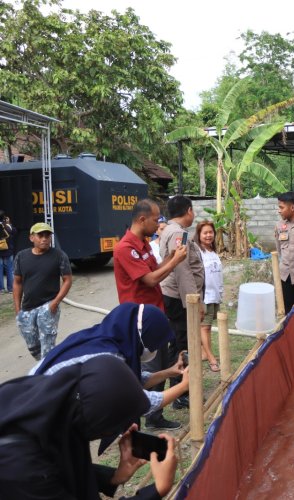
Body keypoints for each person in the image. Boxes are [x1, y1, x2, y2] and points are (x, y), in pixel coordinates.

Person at [0, 356, 178, 499]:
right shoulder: (21, 468)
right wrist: (158, 489)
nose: (121, 431)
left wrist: (114, 477)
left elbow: (57, 460)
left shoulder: (61, 401)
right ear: (96, 422)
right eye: (113, 428)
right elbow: (41, 474)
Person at [32, 303, 190, 419]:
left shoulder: (105, 338)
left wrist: (169, 372)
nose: (154, 350)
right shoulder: (109, 358)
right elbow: (137, 401)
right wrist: (183, 386)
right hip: (40, 411)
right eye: (154, 344)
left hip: (43, 401)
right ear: (143, 336)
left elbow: (132, 382)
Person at [113, 199, 187, 430]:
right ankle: (147, 417)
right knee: (150, 371)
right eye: (156, 220)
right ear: (142, 219)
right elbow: (150, 280)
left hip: (155, 315)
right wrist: (174, 261)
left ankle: (155, 415)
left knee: (163, 365)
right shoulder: (125, 248)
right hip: (139, 322)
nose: (159, 224)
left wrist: (171, 257)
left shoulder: (143, 245)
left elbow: (155, 270)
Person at [160, 195, 204, 410]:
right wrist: (193, 304)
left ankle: (179, 388)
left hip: (175, 297)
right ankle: (181, 393)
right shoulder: (179, 234)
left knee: (177, 343)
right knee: (181, 344)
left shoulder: (169, 230)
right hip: (179, 299)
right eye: (193, 210)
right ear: (188, 210)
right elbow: (182, 270)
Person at [13, 222, 73, 360]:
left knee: (47, 346)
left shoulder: (59, 255)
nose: (44, 238)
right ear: (31, 238)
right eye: (40, 235)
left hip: (48, 307)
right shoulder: (21, 257)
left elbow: (67, 280)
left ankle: (48, 372)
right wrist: (17, 309)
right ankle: (47, 364)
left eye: (47, 235)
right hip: (27, 308)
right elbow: (17, 282)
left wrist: (55, 303)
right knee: (33, 346)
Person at [195, 220, 222, 372]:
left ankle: (205, 353)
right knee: (204, 327)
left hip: (214, 294)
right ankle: (211, 358)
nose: (208, 235)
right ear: (199, 235)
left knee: (208, 327)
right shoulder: (198, 252)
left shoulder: (213, 252)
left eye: (211, 232)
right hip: (205, 295)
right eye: (205, 233)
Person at [0, 210, 17, 293]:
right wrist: (8, 223)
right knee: (9, 270)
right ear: (4, 217)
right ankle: (10, 289)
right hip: (8, 251)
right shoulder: (7, 226)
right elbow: (14, 232)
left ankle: (1, 289)